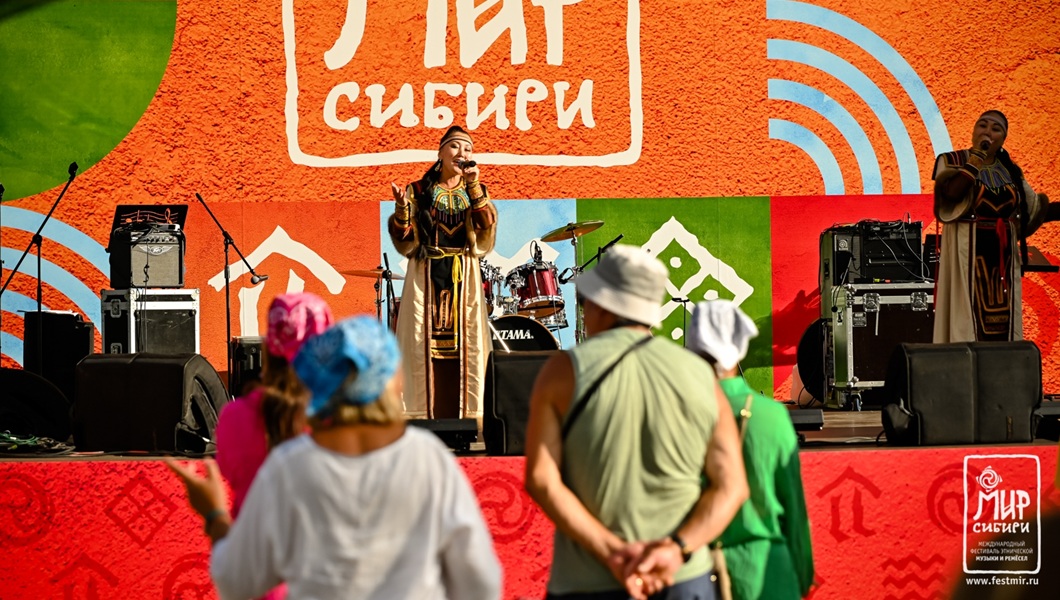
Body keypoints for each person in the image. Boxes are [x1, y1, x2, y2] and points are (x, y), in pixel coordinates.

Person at [166, 316, 502, 600]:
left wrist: (215, 514)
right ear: (395, 379)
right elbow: (481, 583)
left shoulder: (289, 466)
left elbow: (240, 581)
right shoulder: (429, 459)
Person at [524, 244, 749, 600]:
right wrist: (675, 550)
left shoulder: (561, 372)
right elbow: (732, 487)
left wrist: (613, 552)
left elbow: (541, 480)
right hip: (682, 579)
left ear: (601, 304)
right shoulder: (701, 375)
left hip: (587, 582)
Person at [688, 300, 815, 600]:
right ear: (739, 350)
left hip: (696, 574)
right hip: (769, 573)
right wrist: (803, 574)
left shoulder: (677, 414)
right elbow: (794, 510)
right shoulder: (772, 416)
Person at [388, 125, 498, 420]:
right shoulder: (418, 190)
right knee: (421, 342)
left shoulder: (476, 190)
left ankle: (467, 416)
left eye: (467, 149)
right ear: (440, 153)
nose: (462, 153)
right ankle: (421, 414)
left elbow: (485, 227)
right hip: (425, 274)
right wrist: (402, 209)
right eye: (455, 146)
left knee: (466, 345)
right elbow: (404, 238)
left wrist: (473, 186)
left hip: (463, 275)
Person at [932, 110, 1053, 342]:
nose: (987, 132)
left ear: (1003, 139)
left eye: (996, 129)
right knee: (967, 319)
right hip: (967, 250)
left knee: (1002, 321)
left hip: (1002, 256)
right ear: (973, 130)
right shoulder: (951, 161)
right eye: (982, 125)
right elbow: (951, 195)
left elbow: (1034, 209)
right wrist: (976, 157)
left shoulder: (1010, 171)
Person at [214, 292, 334, 519]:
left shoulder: (234, 415)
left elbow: (228, 473)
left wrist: (212, 517)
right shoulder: (340, 416)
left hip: (253, 536)